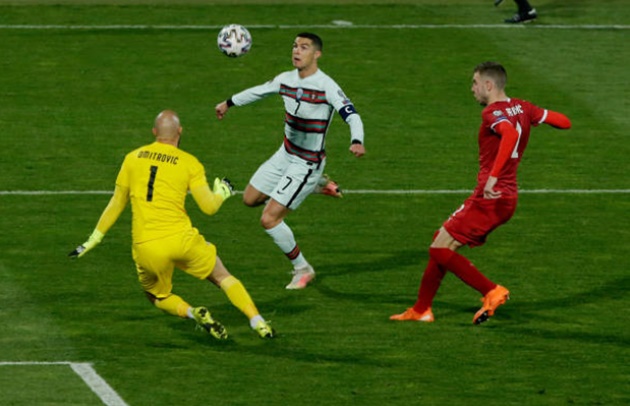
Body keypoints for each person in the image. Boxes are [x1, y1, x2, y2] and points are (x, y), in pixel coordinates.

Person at [391, 62, 571, 325]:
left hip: (490, 197)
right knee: (442, 242)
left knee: (439, 248)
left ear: (489, 85)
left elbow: (508, 134)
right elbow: (564, 122)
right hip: (507, 199)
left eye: (475, 83)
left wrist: (493, 178)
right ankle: (421, 309)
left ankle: (491, 290)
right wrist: (535, 118)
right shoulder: (523, 106)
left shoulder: (492, 113)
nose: (472, 89)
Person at [69, 110, 274, 339]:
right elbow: (209, 207)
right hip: (182, 239)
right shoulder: (189, 163)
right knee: (222, 276)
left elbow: (117, 202)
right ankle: (258, 321)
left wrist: (94, 238)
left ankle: (192, 312)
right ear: (180, 132)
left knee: (156, 295)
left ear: (155, 132)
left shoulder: (133, 158)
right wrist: (221, 193)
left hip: (147, 246)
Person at [215, 32, 366, 290]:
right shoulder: (286, 79)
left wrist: (356, 140)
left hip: (306, 163)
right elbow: (260, 91)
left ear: (316, 54)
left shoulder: (326, 85)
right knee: (250, 199)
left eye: (304, 47)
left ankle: (302, 268)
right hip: (284, 154)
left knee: (269, 219)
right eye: (295, 46)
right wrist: (229, 103)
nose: (297, 51)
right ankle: (319, 185)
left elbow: (352, 115)